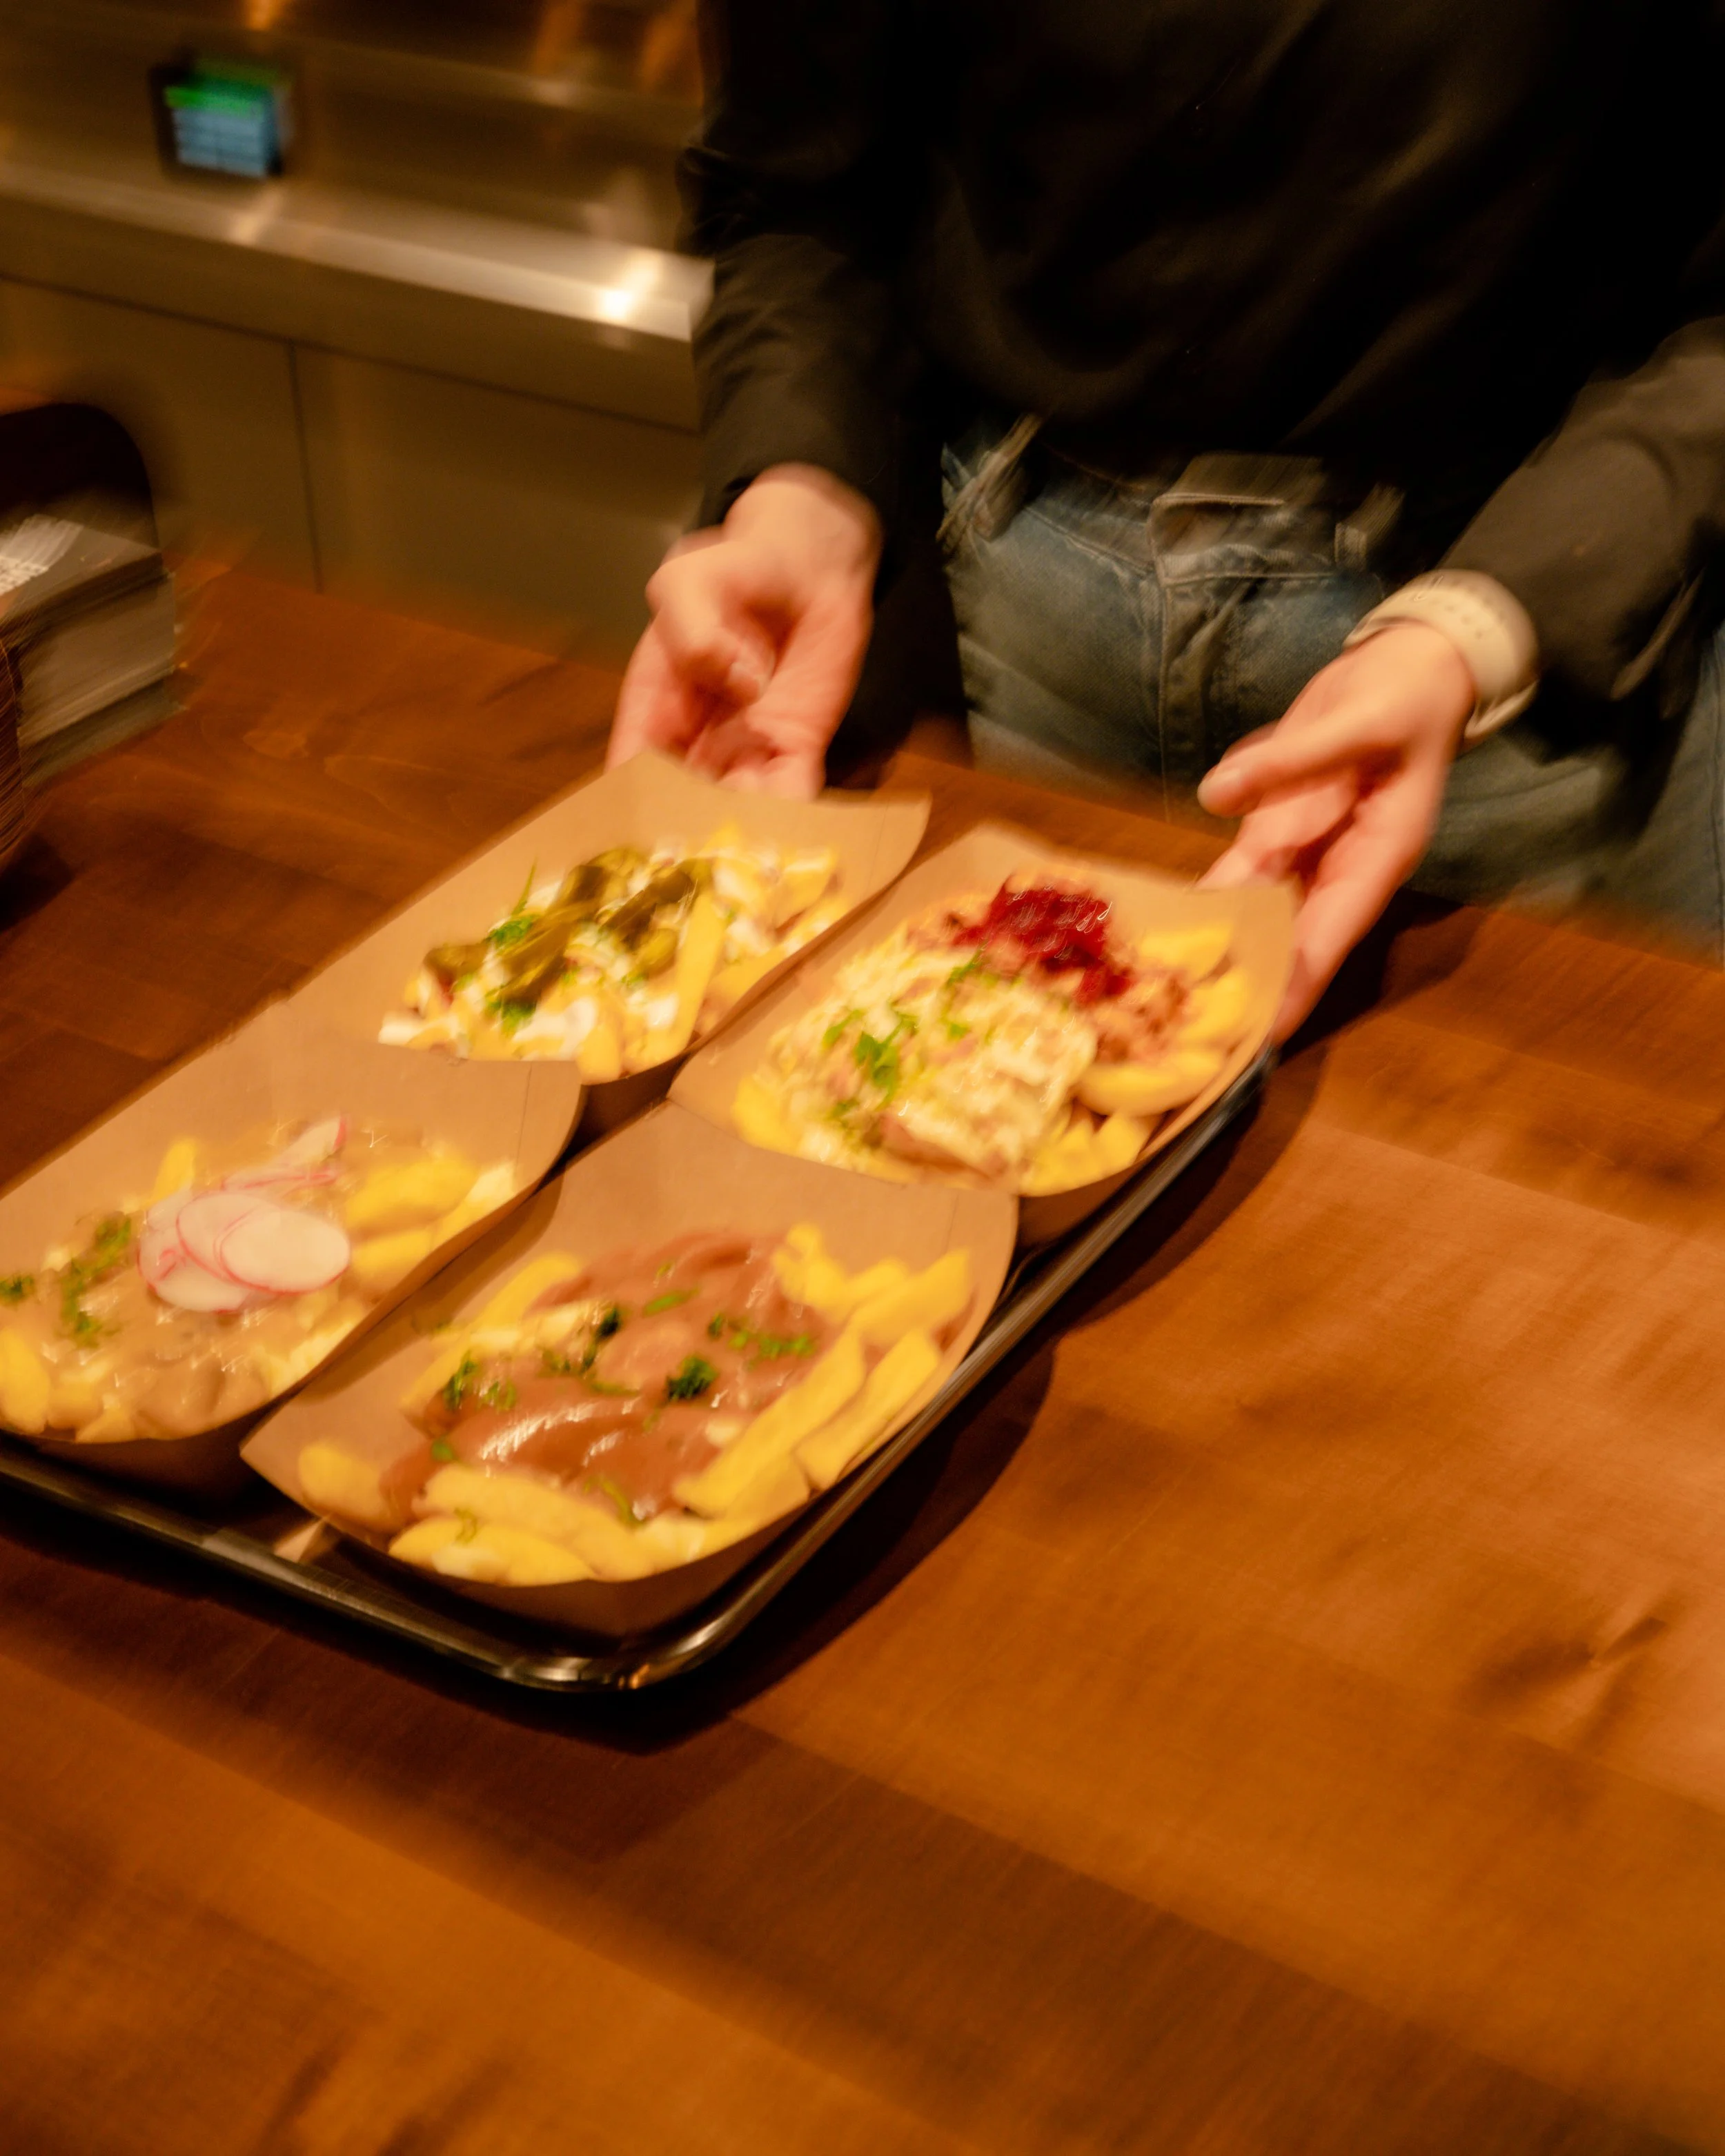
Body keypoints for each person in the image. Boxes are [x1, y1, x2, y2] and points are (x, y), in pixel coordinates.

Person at [607, 0, 1725, 1036]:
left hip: (1519, 680)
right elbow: (800, 185)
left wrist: (1477, 629)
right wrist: (801, 495)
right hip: (999, 634)